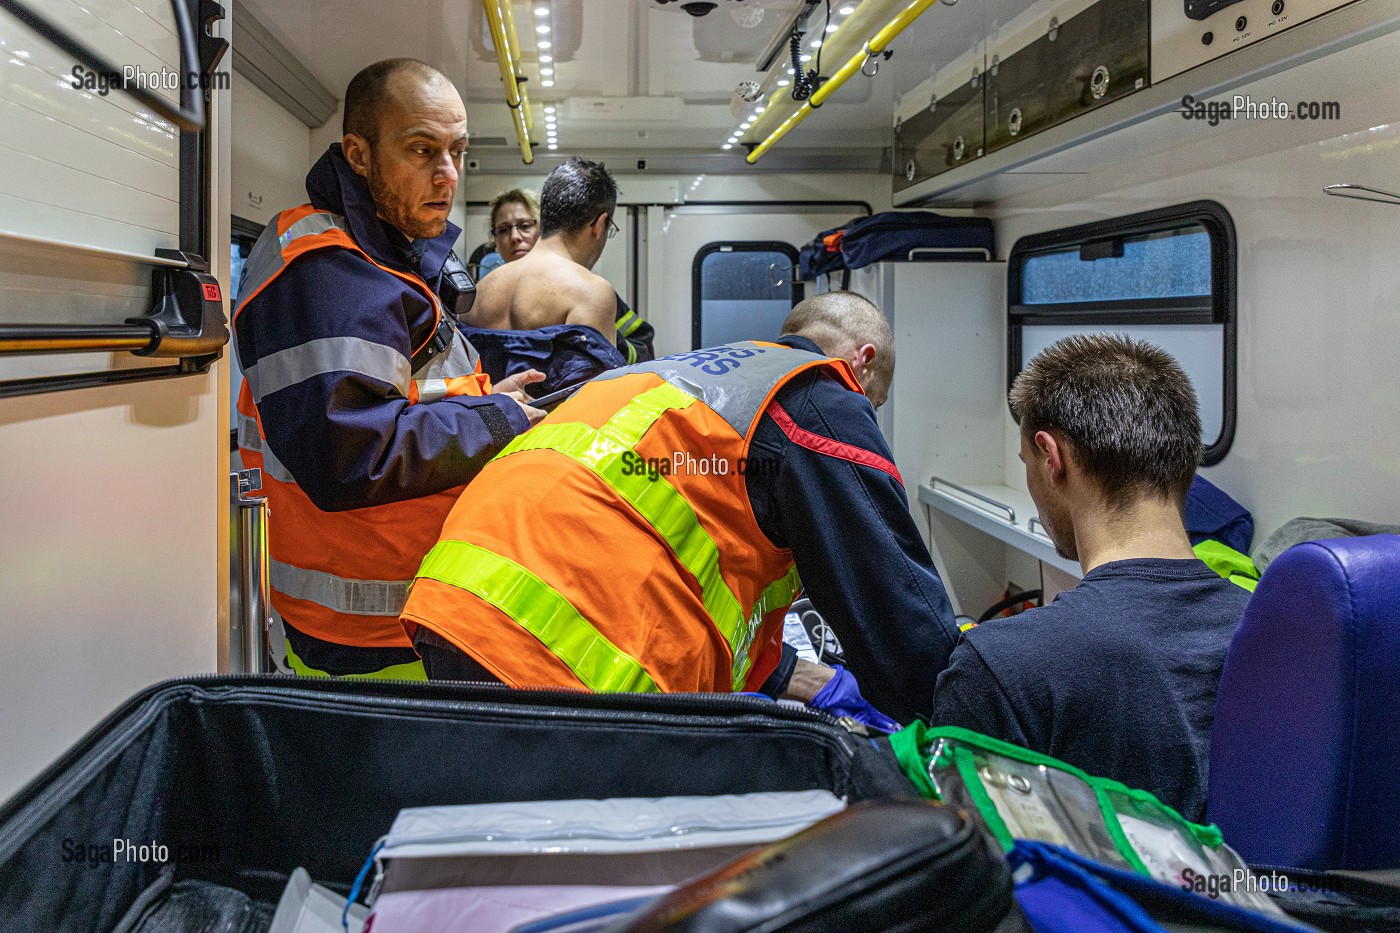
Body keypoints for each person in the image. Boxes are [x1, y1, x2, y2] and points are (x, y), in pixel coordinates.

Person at [401, 291, 961, 725]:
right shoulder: (820, 395)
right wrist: (954, 708)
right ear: (861, 365)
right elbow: (899, 616)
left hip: (459, 600)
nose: (866, 410)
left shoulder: (686, 376)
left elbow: (691, 555)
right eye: (875, 401)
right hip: (554, 640)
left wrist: (809, 681)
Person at [233, 58, 544, 680]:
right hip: (368, 634)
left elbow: (397, 396)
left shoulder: (381, 255)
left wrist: (485, 398)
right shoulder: (325, 270)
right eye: (421, 150)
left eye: (457, 150)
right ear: (360, 154)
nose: (447, 173)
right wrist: (494, 421)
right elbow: (349, 452)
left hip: (413, 610)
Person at [929, 334, 1251, 822]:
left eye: (1026, 467)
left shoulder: (999, 666)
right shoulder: (1271, 632)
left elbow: (965, 874)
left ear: (1052, 457)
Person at [468, 179, 655, 365]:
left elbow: (642, 346)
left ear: (544, 228)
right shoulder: (474, 296)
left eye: (525, 226)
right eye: (503, 230)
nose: (515, 237)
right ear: (495, 241)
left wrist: (608, 338)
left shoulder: (586, 289)